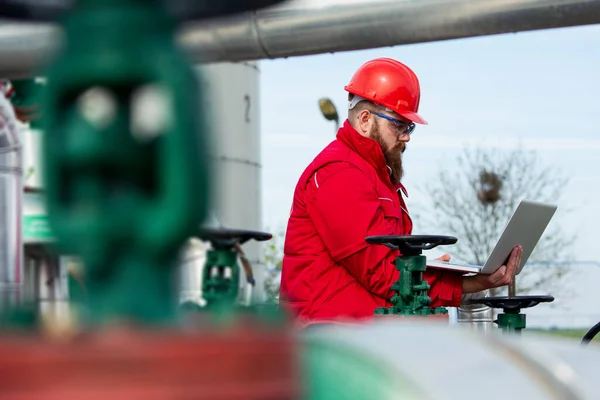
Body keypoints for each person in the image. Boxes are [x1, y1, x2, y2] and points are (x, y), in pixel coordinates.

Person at [278, 57, 522, 330]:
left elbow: (383, 261)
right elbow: (379, 272)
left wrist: (423, 266)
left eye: (410, 127)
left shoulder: (374, 175)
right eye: (399, 125)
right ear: (365, 119)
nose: (406, 136)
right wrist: (468, 284)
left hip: (359, 328)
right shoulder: (340, 173)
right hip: (330, 334)